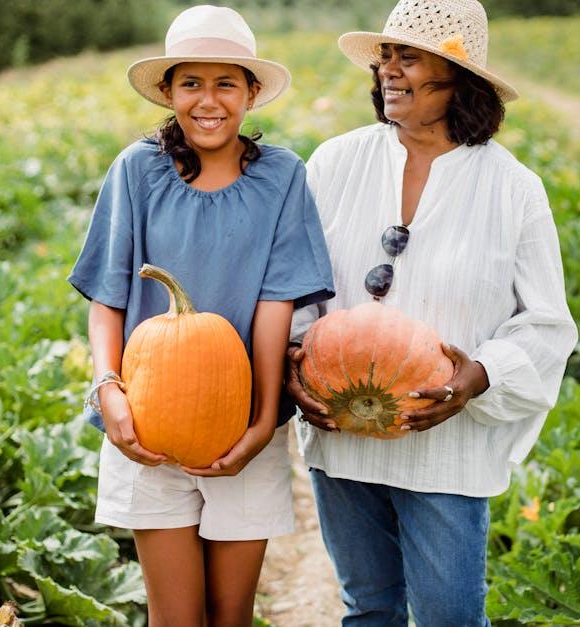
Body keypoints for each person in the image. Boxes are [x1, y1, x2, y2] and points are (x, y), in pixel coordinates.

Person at [284, 0, 578, 624]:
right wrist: (296, 360)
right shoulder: (335, 163)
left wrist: (478, 376)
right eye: (385, 57)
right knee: (368, 609)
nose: (388, 70)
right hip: (343, 433)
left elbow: (547, 323)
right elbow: (297, 287)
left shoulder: (512, 188)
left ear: (459, 78)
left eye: (408, 58)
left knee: (449, 618)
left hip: (446, 441)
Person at [66, 6, 334, 626]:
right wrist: (108, 390)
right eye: (191, 83)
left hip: (241, 426)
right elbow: (108, 295)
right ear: (168, 91)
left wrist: (264, 420)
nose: (208, 101)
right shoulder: (136, 171)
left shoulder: (283, 177)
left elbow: (276, 307)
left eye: (225, 83)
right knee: (176, 618)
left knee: (230, 615)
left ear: (252, 91)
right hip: (145, 424)